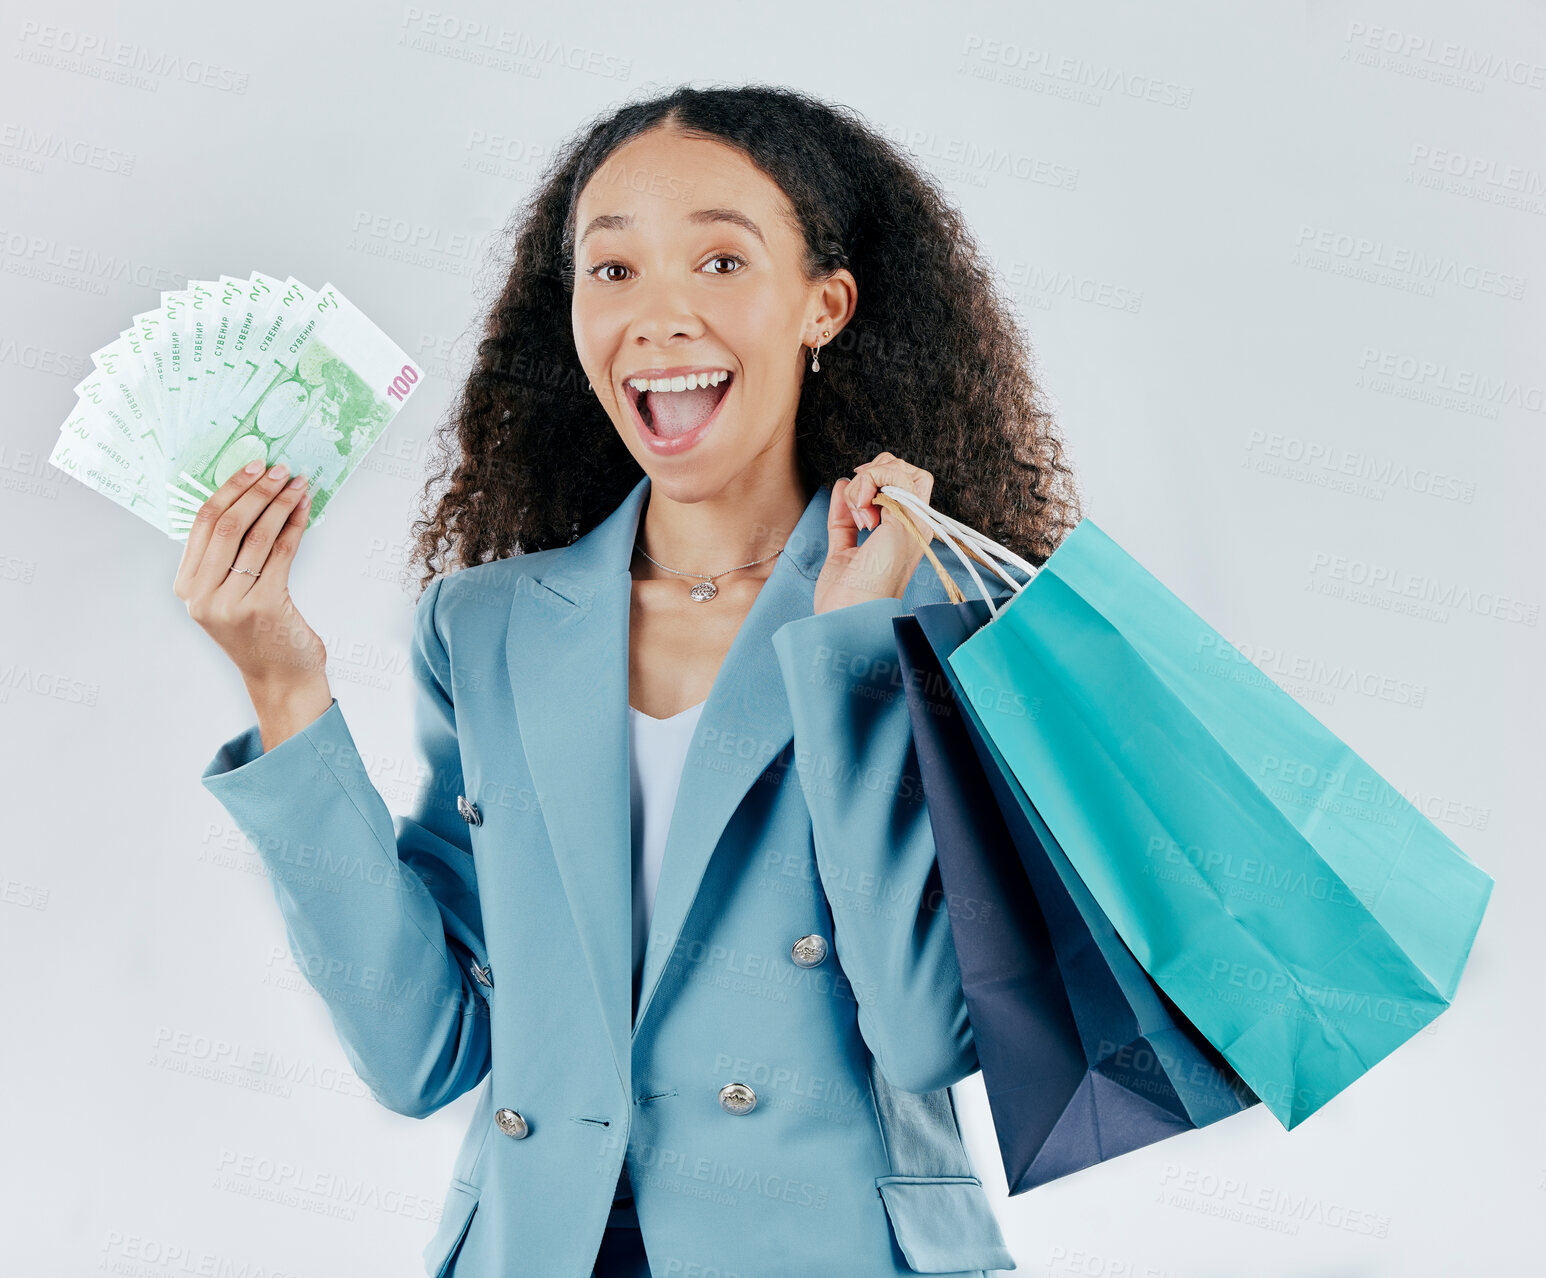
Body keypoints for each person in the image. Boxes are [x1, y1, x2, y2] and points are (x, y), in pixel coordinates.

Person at [177, 83, 1080, 1278]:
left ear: (825, 305)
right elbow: (420, 1051)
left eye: (717, 261)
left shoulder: (938, 610)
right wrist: (283, 690)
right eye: (612, 272)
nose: (658, 317)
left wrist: (848, 653)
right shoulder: (485, 625)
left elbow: (922, 1038)